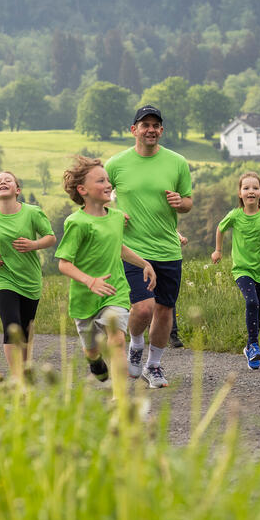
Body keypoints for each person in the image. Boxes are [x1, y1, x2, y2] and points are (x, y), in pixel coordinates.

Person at [104, 105, 192, 388]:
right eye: (145, 125)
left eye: (156, 125)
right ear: (134, 130)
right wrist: (113, 214)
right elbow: (99, 199)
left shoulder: (177, 162)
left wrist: (181, 203)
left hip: (167, 249)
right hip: (132, 249)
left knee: (165, 310)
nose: (151, 129)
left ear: (162, 131)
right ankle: (136, 344)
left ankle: (153, 366)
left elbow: (189, 202)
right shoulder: (115, 164)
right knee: (143, 309)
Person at [56, 157, 156, 382]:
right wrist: (90, 281)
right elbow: (64, 263)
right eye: (101, 181)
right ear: (83, 190)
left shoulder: (117, 218)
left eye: (108, 180)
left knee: (118, 340)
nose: (108, 185)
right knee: (91, 350)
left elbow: (118, 247)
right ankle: (95, 362)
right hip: (85, 297)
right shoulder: (77, 222)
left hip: (115, 290)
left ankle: (119, 398)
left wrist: (145, 264)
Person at [0, 171, 56, 380]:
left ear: (17, 190)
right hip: (2, 277)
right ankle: (17, 378)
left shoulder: (32, 212)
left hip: (30, 279)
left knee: (24, 330)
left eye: (8, 180)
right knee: (11, 326)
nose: (3, 182)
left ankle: (24, 371)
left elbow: (50, 237)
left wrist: (34, 244)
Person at [211, 172, 260, 370]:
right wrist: (218, 250)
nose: (251, 191)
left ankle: (249, 348)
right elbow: (220, 228)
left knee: (259, 310)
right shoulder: (235, 215)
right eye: (246, 188)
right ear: (239, 193)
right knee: (252, 302)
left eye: (255, 188)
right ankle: (254, 345)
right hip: (242, 269)